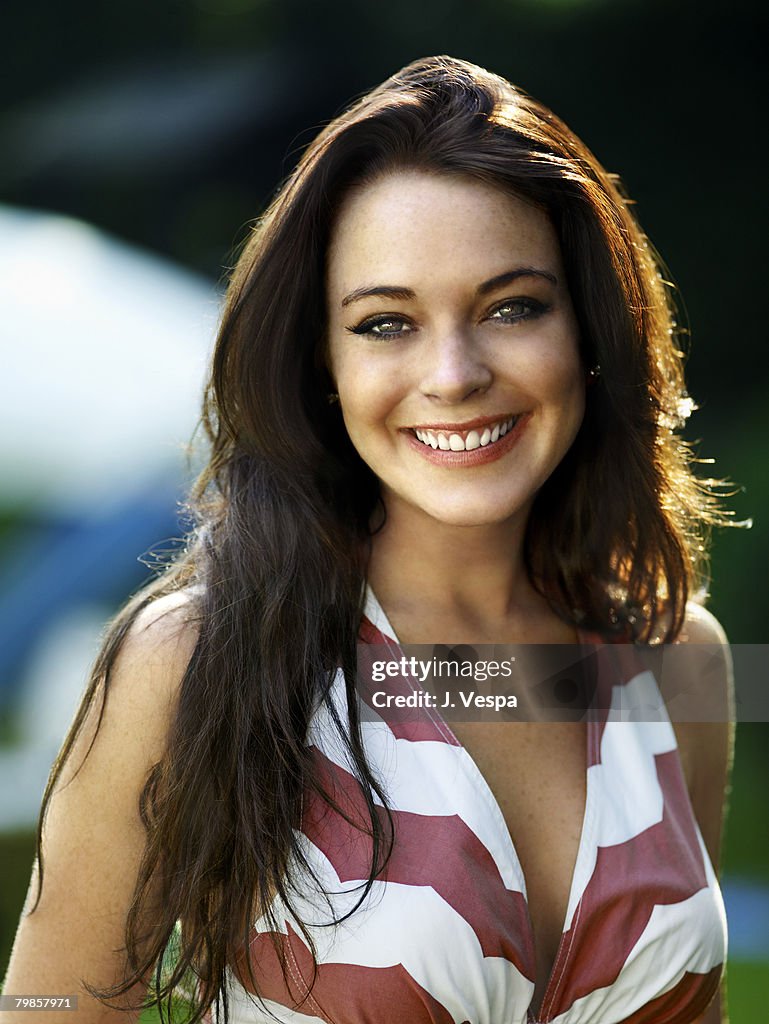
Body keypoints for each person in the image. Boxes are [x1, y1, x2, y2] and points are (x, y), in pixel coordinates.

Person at [4, 55, 734, 1024]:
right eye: (386, 323)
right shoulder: (188, 663)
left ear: (587, 328)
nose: (453, 372)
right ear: (324, 364)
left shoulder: (684, 662)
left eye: (511, 307)